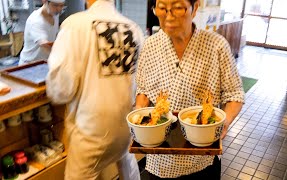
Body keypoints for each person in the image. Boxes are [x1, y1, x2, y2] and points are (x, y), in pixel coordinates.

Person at [135, 0, 245, 179]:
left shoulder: (216, 45)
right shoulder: (150, 45)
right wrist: (140, 118)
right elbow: (143, 90)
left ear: (195, 8)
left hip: (201, 159)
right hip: (159, 159)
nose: (169, 17)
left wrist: (224, 123)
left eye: (178, 8)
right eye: (162, 8)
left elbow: (235, 93)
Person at [45, 0, 144, 179]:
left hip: (91, 132)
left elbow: (61, 90)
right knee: (128, 167)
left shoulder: (75, 25)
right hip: (124, 128)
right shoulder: (134, 28)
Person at [18, 0, 65, 65]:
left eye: (61, 5)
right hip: (30, 64)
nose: (59, 9)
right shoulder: (36, 21)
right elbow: (45, 45)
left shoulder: (54, 14)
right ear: (44, 1)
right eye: (55, 5)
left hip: (45, 62)